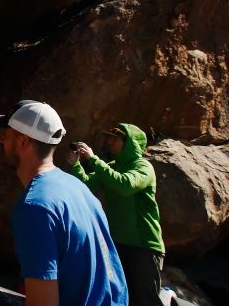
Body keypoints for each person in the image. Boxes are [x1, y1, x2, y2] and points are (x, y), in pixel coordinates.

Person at [0, 100, 128, 306]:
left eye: (5, 135)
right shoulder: (76, 187)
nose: (2, 142)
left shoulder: (35, 208)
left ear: (24, 141)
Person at [66, 123, 165, 306]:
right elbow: (88, 186)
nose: (109, 142)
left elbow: (125, 186)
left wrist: (94, 160)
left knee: (145, 301)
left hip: (143, 246)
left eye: (115, 138)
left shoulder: (143, 167)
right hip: (117, 244)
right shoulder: (112, 166)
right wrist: (76, 165)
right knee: (119, 297)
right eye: (109, 137)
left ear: (130, 143)